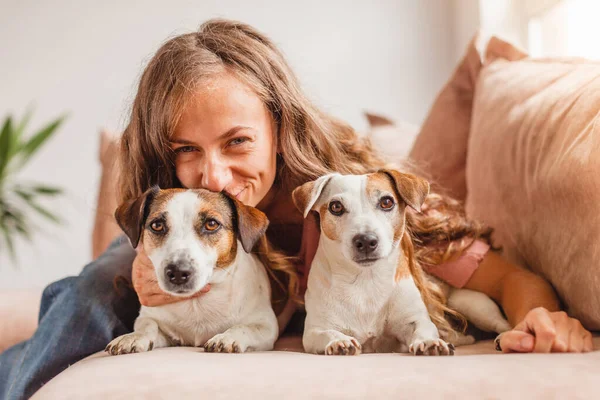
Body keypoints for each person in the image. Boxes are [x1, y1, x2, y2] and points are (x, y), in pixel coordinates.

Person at [0, 18, 592, 400]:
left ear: (280, 128)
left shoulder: (352, 203)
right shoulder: (170, 206)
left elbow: (511, 277)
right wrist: (139, 260)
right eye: (186, 151)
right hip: (174, 251)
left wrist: (538, 319)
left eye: (237, 142)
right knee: (96, 287)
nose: (214, 174)